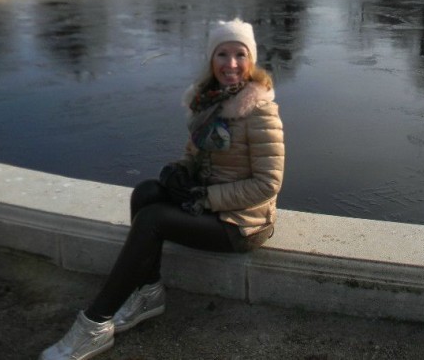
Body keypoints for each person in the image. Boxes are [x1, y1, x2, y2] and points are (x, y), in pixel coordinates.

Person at [40, 18, 285, 360]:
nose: (231, 64)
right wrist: (180, 173)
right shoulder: (208, 102)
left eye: (240, 54)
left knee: (152, 219)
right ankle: (148, 292)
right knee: (145, 192)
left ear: (251, 59)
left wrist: (207, 198)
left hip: (244, 223)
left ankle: (94, 324)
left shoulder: (260, 111)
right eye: (222, 54)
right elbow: (194, 156)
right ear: (211, 60)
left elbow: (268, 183)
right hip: (212, 206)